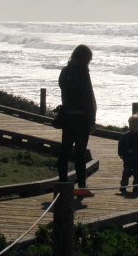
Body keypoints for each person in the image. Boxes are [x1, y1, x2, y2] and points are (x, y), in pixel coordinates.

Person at [57, 44, 97, 197]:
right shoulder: (83, 72)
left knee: (65, 151)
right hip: (81, 119)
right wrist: (92, 120)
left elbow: (62, 88)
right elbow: (88, 97)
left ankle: (63, 184)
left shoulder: (65, 71)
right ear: (85, 59)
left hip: (68, 116)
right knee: (80, 154)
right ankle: (81, 187)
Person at [118, 114, 138, 195]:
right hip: (128, 159)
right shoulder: (125, 135)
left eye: (135, 126)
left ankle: (136, 187)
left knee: (137, 174)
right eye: (131, 125)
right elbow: (121, 144)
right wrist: (120, 153)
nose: (133, 127)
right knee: (126, 173)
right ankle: (123, 186)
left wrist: (134, 149)